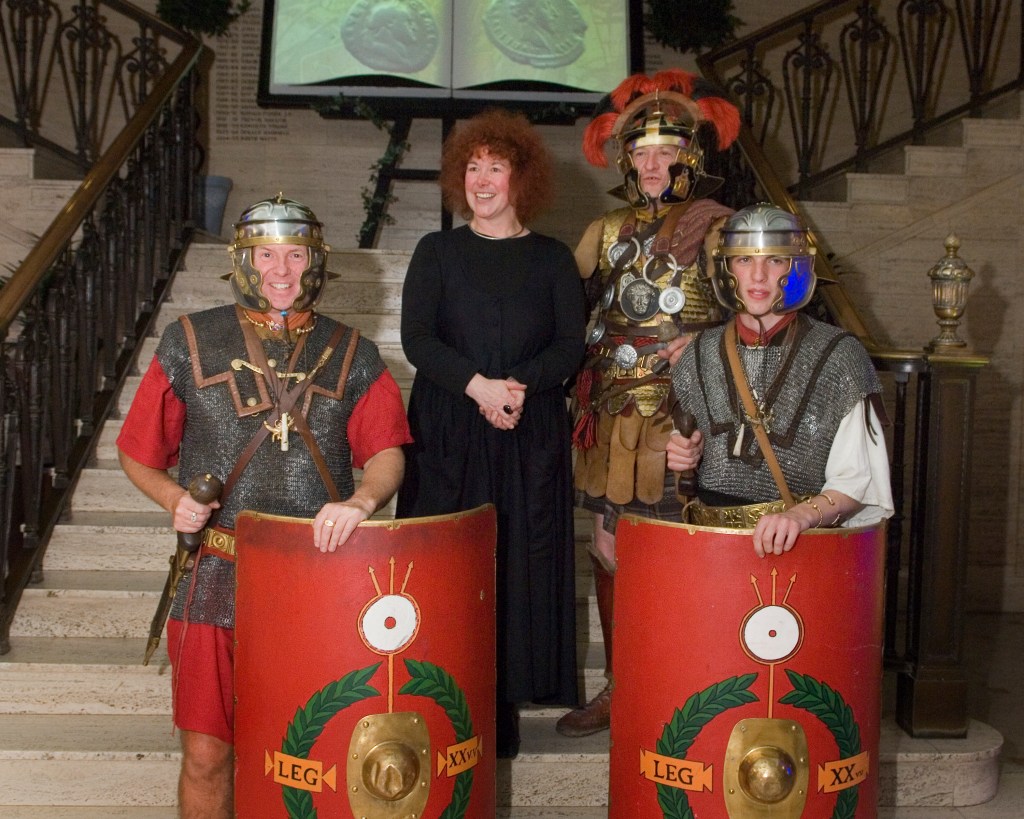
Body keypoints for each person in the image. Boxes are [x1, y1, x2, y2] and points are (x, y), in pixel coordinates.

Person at [116, 195, 411, 818]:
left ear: (316, 262)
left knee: (313, 752)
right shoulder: (190, 340)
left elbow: (388, 453)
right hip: (215, 575)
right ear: (243, 261)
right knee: (206, 755)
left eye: (296, 254)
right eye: (266, 254)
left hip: (318, 580)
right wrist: (175, 500)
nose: (282, 270)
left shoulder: (352, 352)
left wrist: (361, 501)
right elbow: (137, 452)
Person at [397, 109, 585, 759]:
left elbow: (569, 346)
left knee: (517, 566)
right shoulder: (436, 251)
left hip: (528, 433)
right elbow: (416, 338)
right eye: (472, 166)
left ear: (521, 177)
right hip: (448, 429)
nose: (481, 179)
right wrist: (478, 385)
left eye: (495, 166)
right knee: (448, 563)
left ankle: (502, 706)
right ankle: (437, 694)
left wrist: (518, 387)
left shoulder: (554, 258)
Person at [557, 70, 739, 738]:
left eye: (666, 150)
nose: (653, 162)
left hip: (686, 415)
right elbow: (549, 293)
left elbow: (760, 306)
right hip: (611, 412)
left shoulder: (718, 228)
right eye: (641, 151)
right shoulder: (605, 229)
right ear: (626, 159)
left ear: (692, 155)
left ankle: (683, 682)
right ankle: (622, 685)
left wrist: (705, 337)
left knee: (683, 550)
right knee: (608, 547)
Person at [665, 202, 894, 556]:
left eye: (775, 260)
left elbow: (859, 482)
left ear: (797, 267)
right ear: (727, 269)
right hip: (711, 549)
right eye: (744, 260)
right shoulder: (698, 354)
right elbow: (691, 453)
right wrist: (685, 452)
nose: (758, 276)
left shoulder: (840, 357)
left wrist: (801, 516)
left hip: (801, 549)